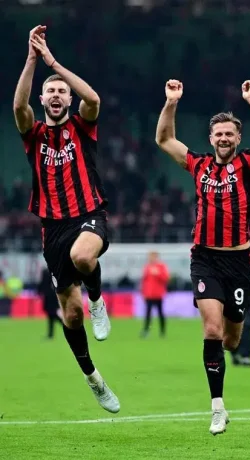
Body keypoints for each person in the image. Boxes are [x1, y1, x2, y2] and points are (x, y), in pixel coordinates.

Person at [155, 78, 250, 435]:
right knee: (211, 329)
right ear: (210, 139)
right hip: (205, 259)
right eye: (218, 134)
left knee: (231, 340)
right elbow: (164, 139)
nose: (224, 138)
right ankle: (217, 407)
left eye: (229, 134)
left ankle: (223, 376)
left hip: (238, 262)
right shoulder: (198, 165)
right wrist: (171, 102)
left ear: (238, 137)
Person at [13, 26, 118, 413]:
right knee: (70, 315)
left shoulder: (82, 125)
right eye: (51, 91)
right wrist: (32, 59)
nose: (56, 95)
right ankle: (94, 378)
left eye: (61, 91)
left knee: (83, 256)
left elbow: (94, 99)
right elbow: (18, 108)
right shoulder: (34, 133)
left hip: (89, 214)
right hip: (52, 228)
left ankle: (98, 301)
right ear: (42, 99)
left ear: (68, 99)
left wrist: (53, 63)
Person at [140, 251, 170, 338]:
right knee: (148, 314)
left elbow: (166, 278)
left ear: (156, 257)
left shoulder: (161, 266)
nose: (151, 258)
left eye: (152, 257)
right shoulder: (147, 267)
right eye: (150, 257)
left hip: (158, 294)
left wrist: (158, 274)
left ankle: (162, 331)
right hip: (149, 295)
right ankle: (146, 331)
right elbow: (144, 280)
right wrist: (143, 292)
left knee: (160, 313)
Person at [38, 267, 62, 339]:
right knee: (51, 316)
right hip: (53, 299)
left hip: (49, 300)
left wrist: (39, 291)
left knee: (52, 316)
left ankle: (67, 327)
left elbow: (41, 287)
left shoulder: (45, 276)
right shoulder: (53, 277)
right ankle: (50, 334)